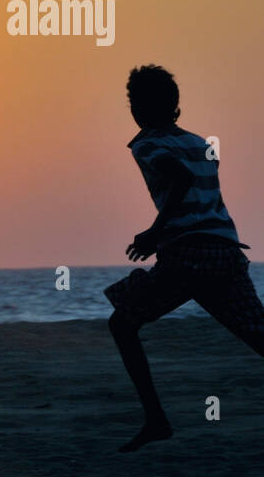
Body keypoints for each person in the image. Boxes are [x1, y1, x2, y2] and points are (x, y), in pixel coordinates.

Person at [104, 65, 264, 452]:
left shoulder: (146, 144)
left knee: (122, 324)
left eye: (134, 101)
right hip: (226, 252)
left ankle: (156, 421)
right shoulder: (199, 143)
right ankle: (155, 421)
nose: (133, 108)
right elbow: (200, 185)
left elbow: (179, 180)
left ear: (141, 107)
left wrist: (155, 233)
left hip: (189, 255)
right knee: (258, 335)